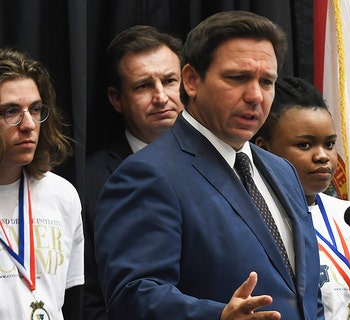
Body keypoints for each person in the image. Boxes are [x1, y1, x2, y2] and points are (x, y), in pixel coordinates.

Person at [94, 11, 323, 319]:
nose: (255, 95)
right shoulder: (148, 174)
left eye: (266, 81)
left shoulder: (283, 171)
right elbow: (132, 296)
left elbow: (305, 295)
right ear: (191, 80)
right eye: (237, 78)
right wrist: (217, 317)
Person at [254, 76, 350, 319]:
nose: (323, 156)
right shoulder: (256, 226)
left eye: (330, 144)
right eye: (305, 145)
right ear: (263, 148)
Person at [83, 24, 184, 320]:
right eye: (143, 86)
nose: (161, 96)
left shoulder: (222, 163)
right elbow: (87, 298)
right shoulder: (89, 181)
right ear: (116, 99)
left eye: (169, 81)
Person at [0, 48, 84, 319]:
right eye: (10, 111)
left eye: (35, 109)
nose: (29, 125)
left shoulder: (62, 194)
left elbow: (72, 300)